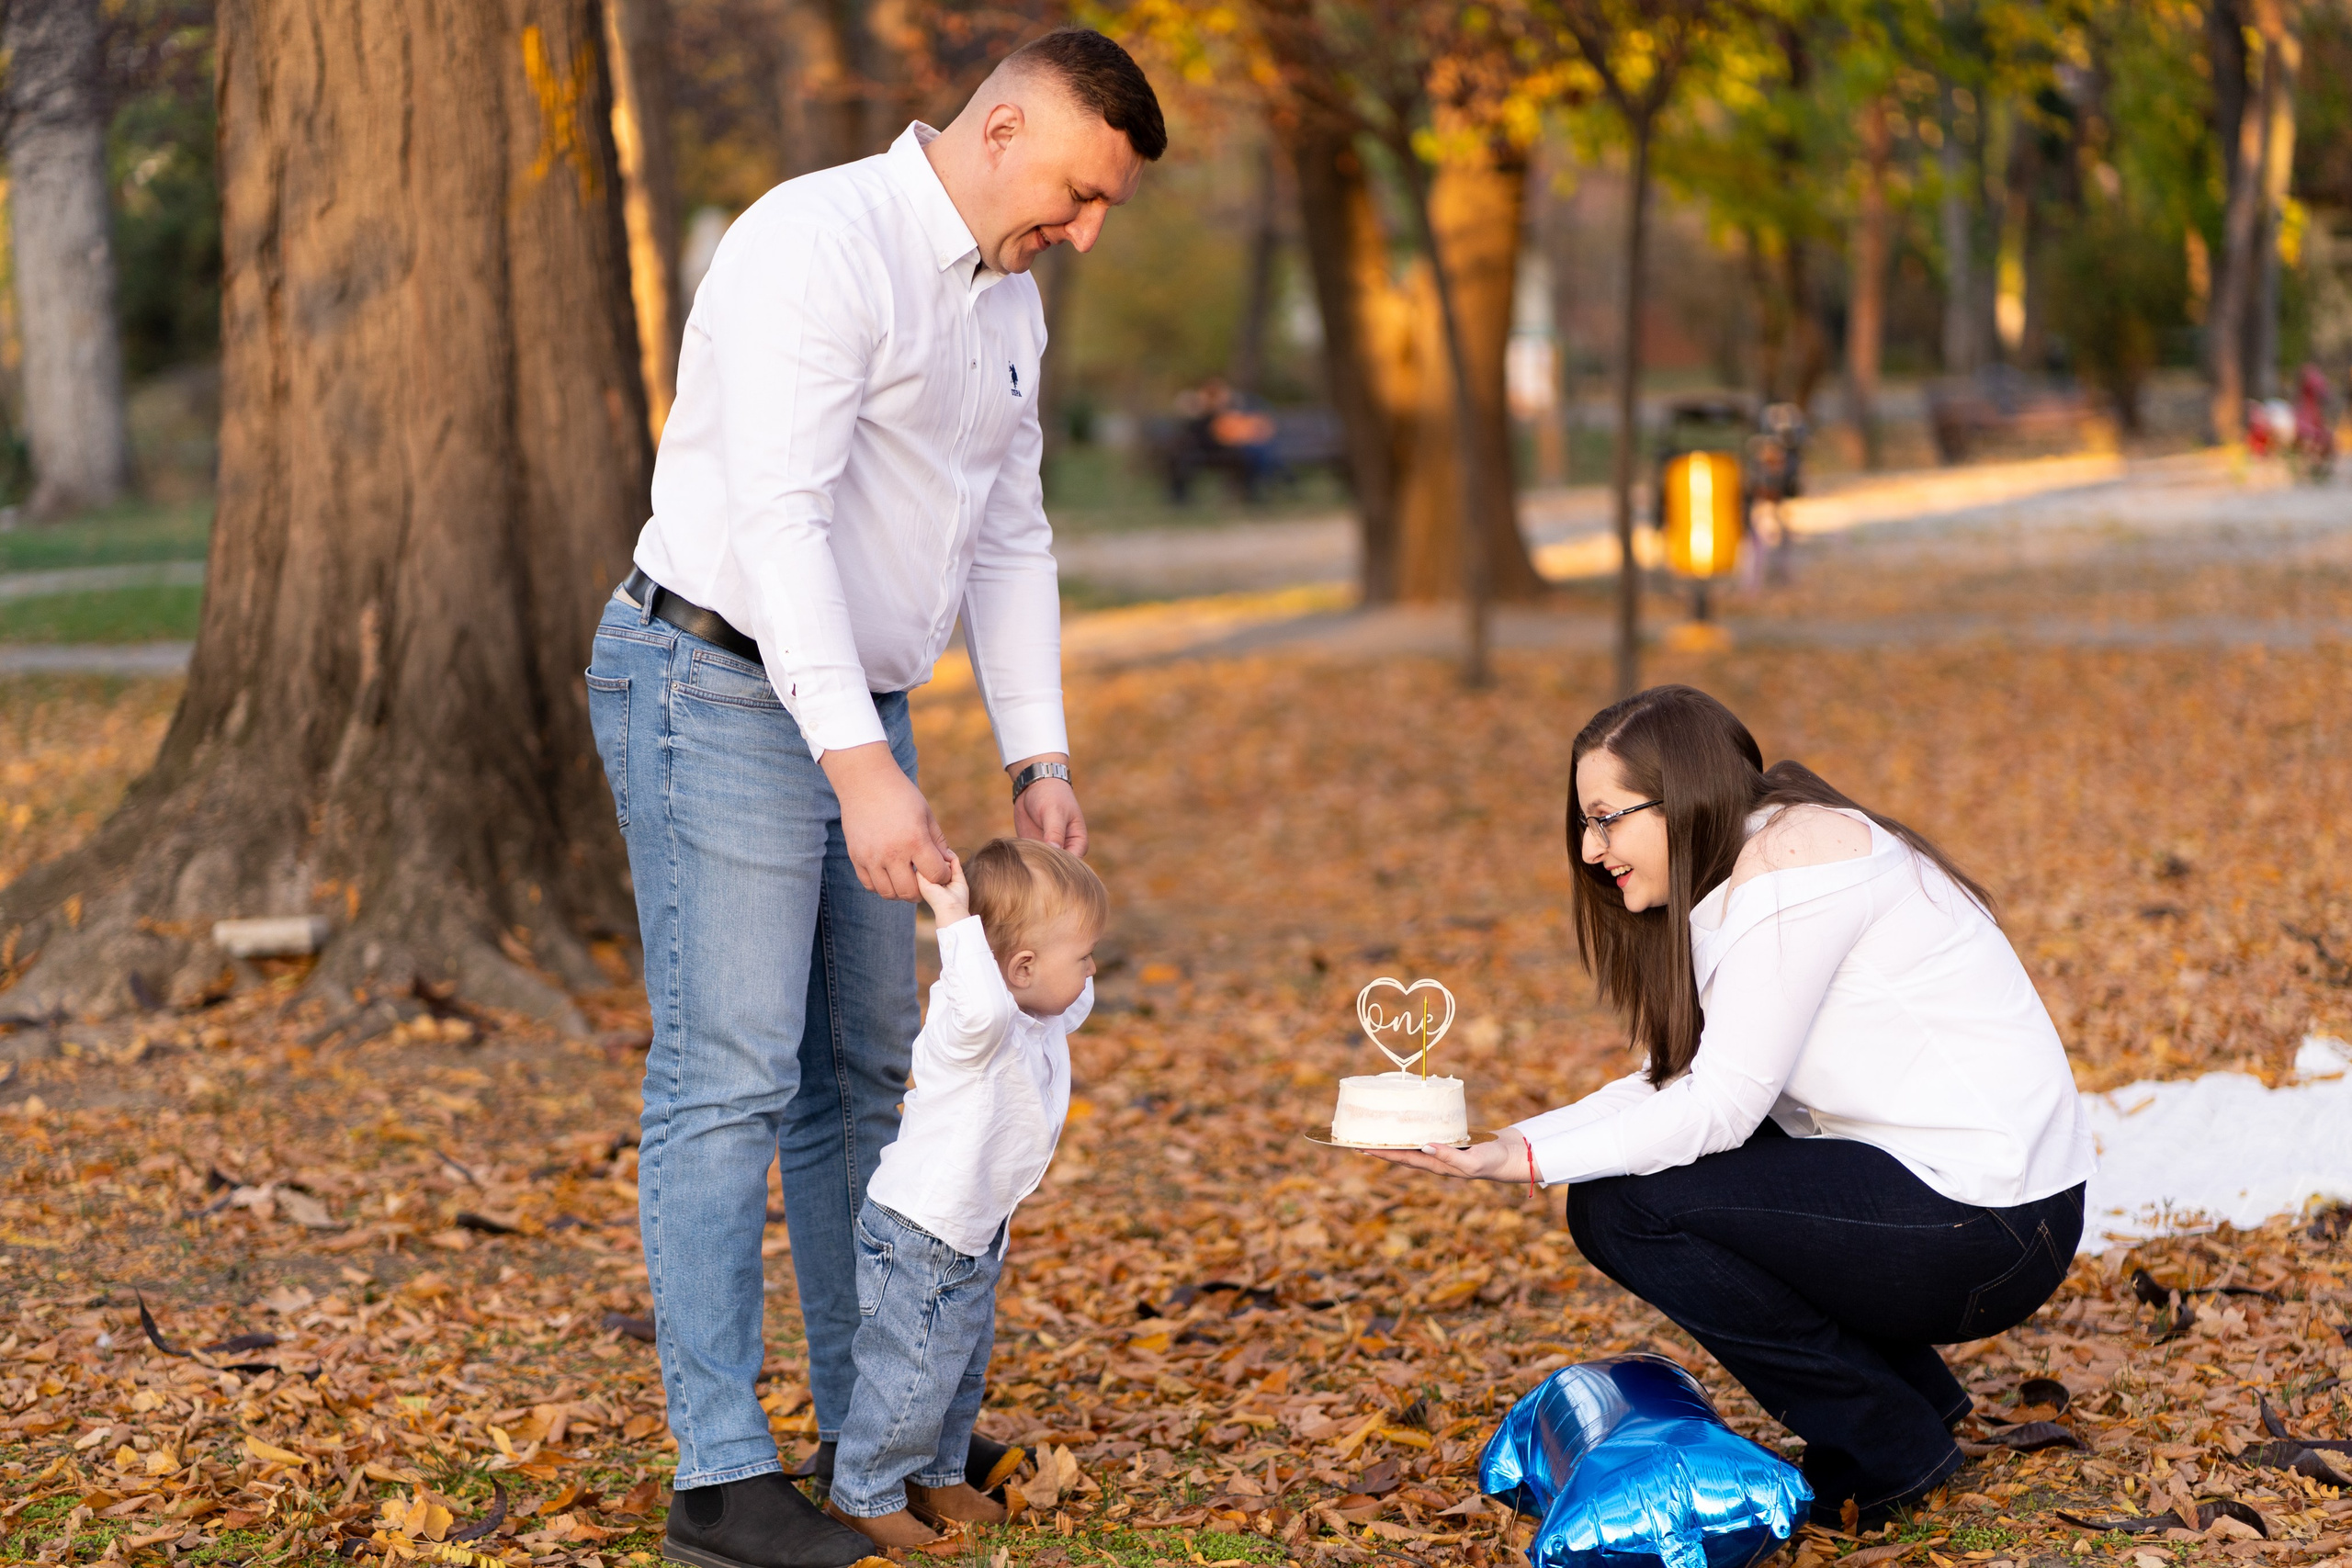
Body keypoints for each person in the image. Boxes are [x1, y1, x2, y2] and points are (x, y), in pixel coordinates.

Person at [582, 29, 1163, 1568]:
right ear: (1001, 127)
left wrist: (1036, 756)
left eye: (1104, 208)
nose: (1086, 228)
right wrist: (859, 770)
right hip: (710, 679)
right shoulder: (815, 244)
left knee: (866, 1068)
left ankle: (873, 1432)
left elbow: (1011, 537)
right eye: (1077, 190)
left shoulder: (1008, 304)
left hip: (853, 700)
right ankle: (719, 1479)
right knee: (732, 1073)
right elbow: (778, 522)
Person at [1372, 685, 2094, 1528]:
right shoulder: (1756, 862)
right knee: (1629, 1191)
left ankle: (1888, 1446)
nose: (1588, 845)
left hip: (1992, 1224)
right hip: (1960, 1204)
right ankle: (1910, 1406)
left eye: (1606, 818)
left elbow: (1718, 1108)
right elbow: (1672, 1080)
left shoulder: (1793, 874)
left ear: (1677, 796)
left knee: (1626, 1207)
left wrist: (1525, 1162)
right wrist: (1508, 1144)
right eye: (1583, 821)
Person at [822, 839, 1104, 1551]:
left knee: (956, 1369)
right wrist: (955, 915)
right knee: (909, 1373)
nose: (1094, 969)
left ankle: (938, 1473)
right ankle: (863, 1491)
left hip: (972, 1234)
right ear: (1023, 968)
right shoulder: (972, 1022)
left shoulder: (1036, 1013)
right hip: (920, 1232)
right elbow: (983, 996)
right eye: (1085, 955)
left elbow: (1069, 995)